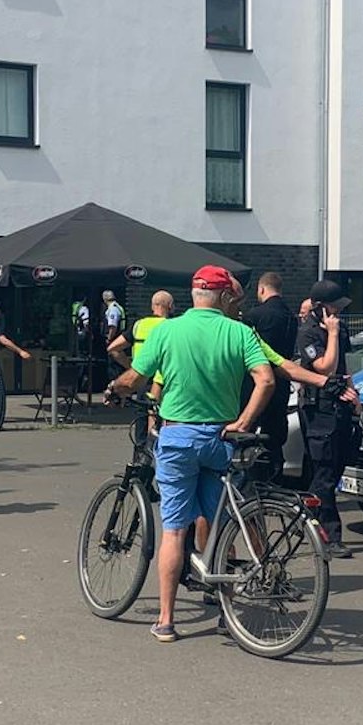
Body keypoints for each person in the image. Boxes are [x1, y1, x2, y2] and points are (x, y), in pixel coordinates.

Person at [109, 266, 274, 644]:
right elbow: (265, 379)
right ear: (224, 296)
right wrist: (244, 420)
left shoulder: (167, 331)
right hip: (221, 436)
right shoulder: (240, 332)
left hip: (177, 436)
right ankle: (225, 611)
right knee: (221, 524)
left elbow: (133, 379)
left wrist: (115, 389)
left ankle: (166, 620)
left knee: (174, 528)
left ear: (193, 294)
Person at [296, 280, 358, 558]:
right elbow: (325, 366)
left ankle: (303, 516)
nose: (338, 314)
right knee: (323, 472)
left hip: (340, 408)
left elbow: (342, 367)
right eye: (334, 308)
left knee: (334, 469)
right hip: (319, 411)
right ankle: (330, 536)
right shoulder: (308, 333)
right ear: (321, 308)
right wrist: (330, 335)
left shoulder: (339, 328)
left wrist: (353, 393)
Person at [242, 273, 303, 484]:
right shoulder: (290, 317)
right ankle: (273, 475)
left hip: (256, 382)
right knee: (275, 433)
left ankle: (251, 480)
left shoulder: (255, 315)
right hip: (283, 381)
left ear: (261, 289)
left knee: (249, 432)